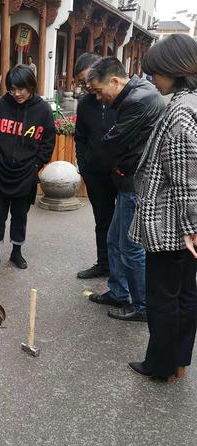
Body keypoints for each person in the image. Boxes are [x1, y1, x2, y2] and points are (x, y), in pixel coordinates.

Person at [128, 34, 197, 380]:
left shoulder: (181, 112)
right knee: (185, 294)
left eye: (156, 73)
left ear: (175, 70)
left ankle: (161, 366)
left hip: (169, 226)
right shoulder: (193, 104)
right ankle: (178, 362)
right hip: (180, 226)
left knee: (164, 299)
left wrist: (190, 228)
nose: (152, 80)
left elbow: (186, 180)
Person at [86, 57, 165, 322]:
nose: (99, 98)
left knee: (131, 247)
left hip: (135, 183)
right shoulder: (135, 95)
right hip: (126, 181)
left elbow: (112, 141)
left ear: (115, 81)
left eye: (99, 91)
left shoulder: (138, 100)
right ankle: (118, 292)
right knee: (114, 240)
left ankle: (142, 305)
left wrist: (105, 152)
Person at [0, 65, 55, 270]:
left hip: (25, 174)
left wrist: (36, 164)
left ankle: (16, 252)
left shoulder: (43, 110)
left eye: (21, 88)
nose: (17, 94)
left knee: (20, 217)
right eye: (12, 89)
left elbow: (48, 141)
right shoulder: (1, 106)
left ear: (31, 86)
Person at [74, 53, 117, 279]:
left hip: (122, 175)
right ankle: (104, 264)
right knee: (102, 221)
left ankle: (123, 272)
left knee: (125, 225)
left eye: (89, 79)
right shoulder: (85, 104)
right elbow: (80, 137)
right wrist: (83, 165)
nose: (87, 86)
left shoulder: (120, 99)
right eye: (82, 82)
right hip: (95, 174)